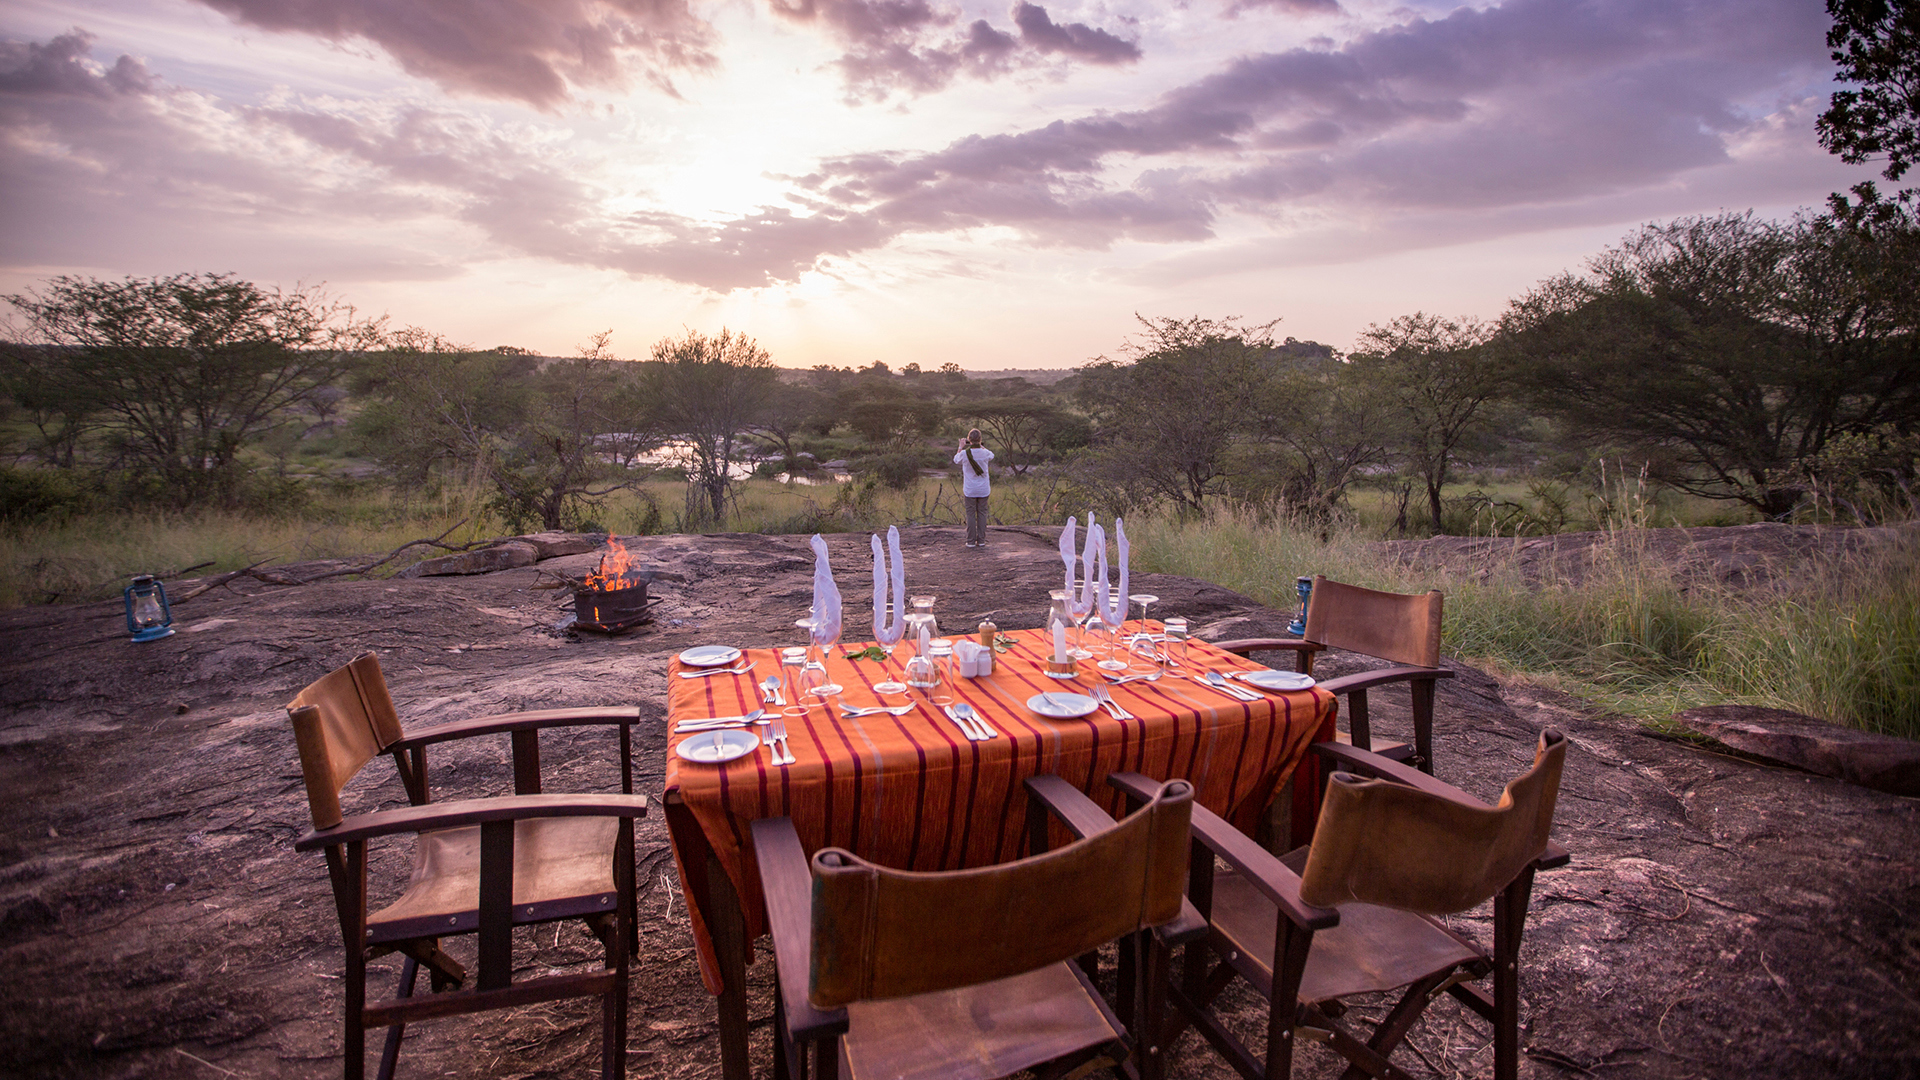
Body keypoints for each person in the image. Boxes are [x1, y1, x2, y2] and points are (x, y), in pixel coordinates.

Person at [953, 429, 994, 548]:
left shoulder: (965, 454)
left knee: (970, 514)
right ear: (980, 440)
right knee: (982, 513)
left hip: (970, 489)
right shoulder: (985, 453)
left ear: (969, 440)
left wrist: (960, 447)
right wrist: (981, 446)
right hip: (984, 489)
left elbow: (956, 460)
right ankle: (981, 540)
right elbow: (992, 455)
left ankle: (970, 541)